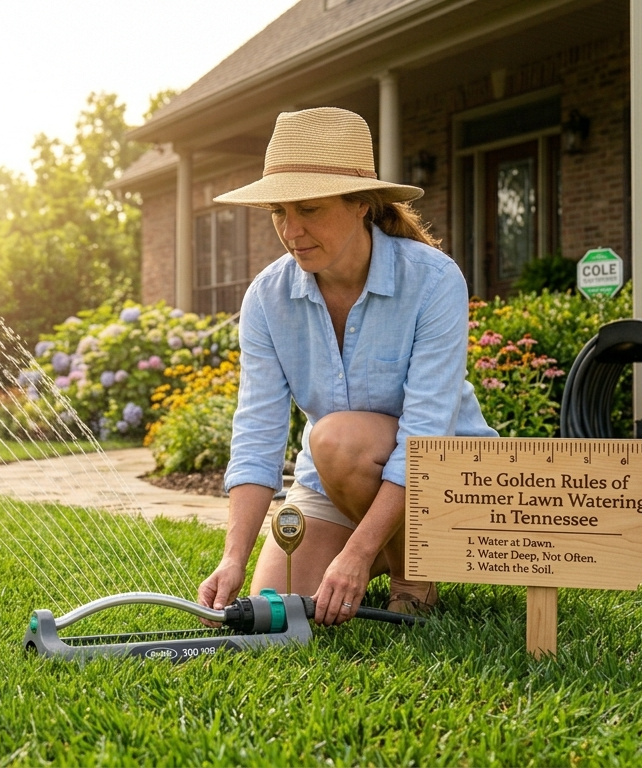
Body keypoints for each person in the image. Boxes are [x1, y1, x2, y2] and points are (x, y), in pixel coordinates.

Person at [197, 107, 497, 626]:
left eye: (309, 209)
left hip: (445, 478)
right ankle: (379, 549)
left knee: (336, 439)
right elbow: (258, 432)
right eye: (279, 212)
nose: (292, 230)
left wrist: (355, 555)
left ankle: (411, 575)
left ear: (361, 203)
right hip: (333, 481)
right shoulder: (267, 298)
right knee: (274, 605)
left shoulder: (432, 280)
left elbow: (426, 434)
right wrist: (233, 559)